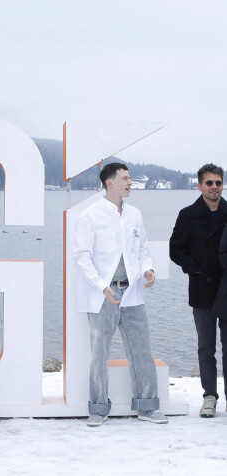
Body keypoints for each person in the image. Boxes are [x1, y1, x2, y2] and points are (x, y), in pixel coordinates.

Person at [73, 162, 168, 427]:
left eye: (130, 178)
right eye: (125, 178)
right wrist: (102, 286)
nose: (130, 183)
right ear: (109, 182)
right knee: (99, 352)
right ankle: (98, 407)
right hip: (103, 293)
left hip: (132, 291)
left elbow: (142, 249)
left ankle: (148, 406)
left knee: (141, 349)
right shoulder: (90, 216)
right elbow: (81, 257)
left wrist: (147, 270)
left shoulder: (134, 214)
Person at [170, 163, 227, 418]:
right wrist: (194, 270)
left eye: (218, 182)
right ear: (199, 185)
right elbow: (176, 250)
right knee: (206, 347)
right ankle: (209, 397)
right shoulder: (187, 215)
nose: (214, 187)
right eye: (209, 183)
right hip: (202, 288)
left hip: (226, 287)